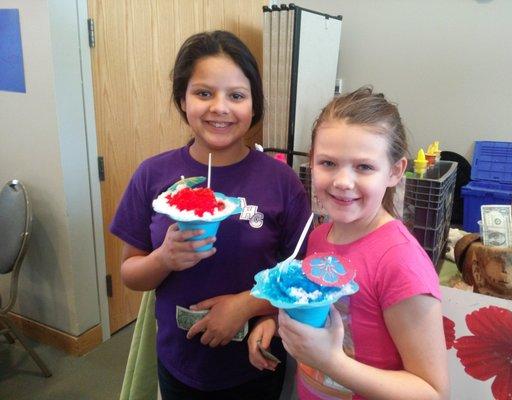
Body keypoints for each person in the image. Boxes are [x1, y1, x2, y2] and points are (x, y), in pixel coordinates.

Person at [110, 30, 311, 399]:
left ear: (254, 106)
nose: (220, 107)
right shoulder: (153, 175)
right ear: (183, 100)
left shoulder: (282, 182)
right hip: (178, 361)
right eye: (204, 93)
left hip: (255, 362)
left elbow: (303, 276)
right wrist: (164, 259)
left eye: (236, 95)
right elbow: (130, 275)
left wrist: (248, 305)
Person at [248, 87, 449, 399]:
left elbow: (433, 392)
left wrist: (332, 362)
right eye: (328, 163)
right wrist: (275, 318)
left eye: (364, 167)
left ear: (395, 171)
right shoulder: (318, 237)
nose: (342, 181)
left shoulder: (401, 263)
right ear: (311, 162)